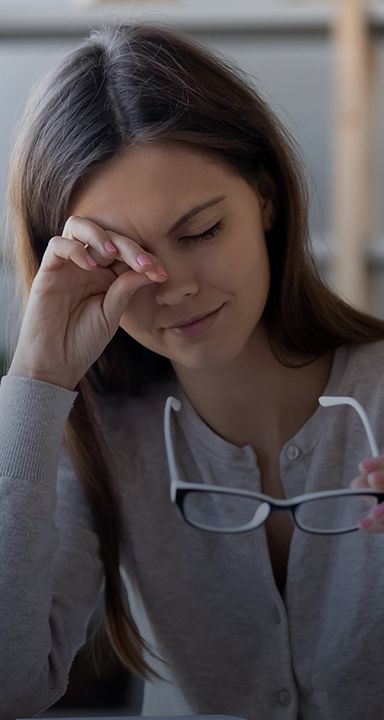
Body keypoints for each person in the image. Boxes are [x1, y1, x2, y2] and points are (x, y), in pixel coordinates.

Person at [1, 21, 384, 720]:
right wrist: (37, 377)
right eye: (121, 260)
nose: (173, 287)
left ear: (265, 198)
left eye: (202, 232)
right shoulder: (92, 437)